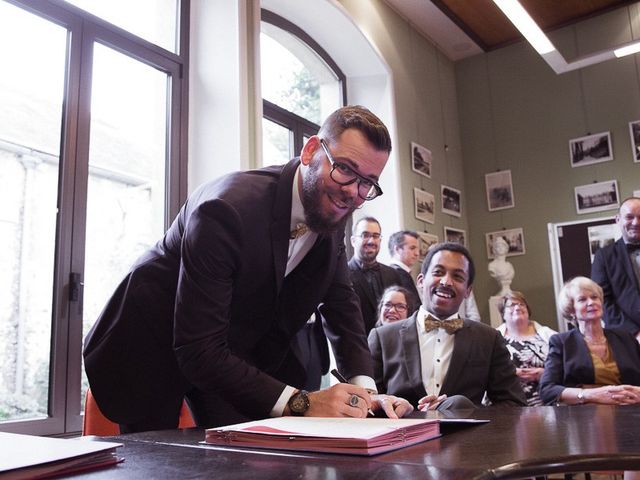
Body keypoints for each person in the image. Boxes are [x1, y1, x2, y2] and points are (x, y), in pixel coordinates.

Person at [83, 105, 413, 432]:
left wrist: (366, 395)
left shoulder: (331, 214)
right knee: (159, 463)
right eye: (344, 169)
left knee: (249, 456)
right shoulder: (226, 209)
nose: (353, 193)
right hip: (150, 347)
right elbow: (199, 349)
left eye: (367, 183)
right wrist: (305, 402)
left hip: (228, 355)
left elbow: (343, 310)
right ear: (311, 150)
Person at [368, 242, 526, 410]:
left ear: (468, 291)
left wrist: (465, 409)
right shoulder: (383, 338)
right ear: (421, 281)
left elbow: (514, 405)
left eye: (458, 277)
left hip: (469, 436)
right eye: (438, 272)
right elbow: (368, 403)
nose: (446, 281)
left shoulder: (489, 339)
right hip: (401, 435)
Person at [539, 276, 640, 406]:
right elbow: (547, 390)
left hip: (631, 411)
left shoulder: (626, 338)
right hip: (586, 416)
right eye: (582, 299)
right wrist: (588, 395)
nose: (591, 302)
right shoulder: (562, 342)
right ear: (571, 310)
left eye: (594, 297)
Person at [591, 197, 640, 341]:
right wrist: (635, 333)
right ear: (618, 219)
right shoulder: (603, 257)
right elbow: (602, 300)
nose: (636, 222)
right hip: (628, 340)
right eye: (629, 217)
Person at [496, 291, 557, 406]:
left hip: (546, 402)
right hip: (508, 404)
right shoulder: (494, 338)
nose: (518, 307)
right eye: (512, 305)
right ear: (503, 314)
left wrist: (545, 374)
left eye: (521, 304)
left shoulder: (549, 335)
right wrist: (511, 374)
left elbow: (562, 367)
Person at [348, 217, 402, 334]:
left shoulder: (393, 274)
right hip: (358, 346)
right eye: (365, 235)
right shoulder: (342, 275)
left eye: (376, 236)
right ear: (353, 241)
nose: (371, 241)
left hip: (391, 344)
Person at [387, 230, 421, 314]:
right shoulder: (400, 274)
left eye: (417, 249)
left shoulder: (389, 272)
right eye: (412, 248)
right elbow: (413, 308)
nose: (417, 253)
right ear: (397, 249)